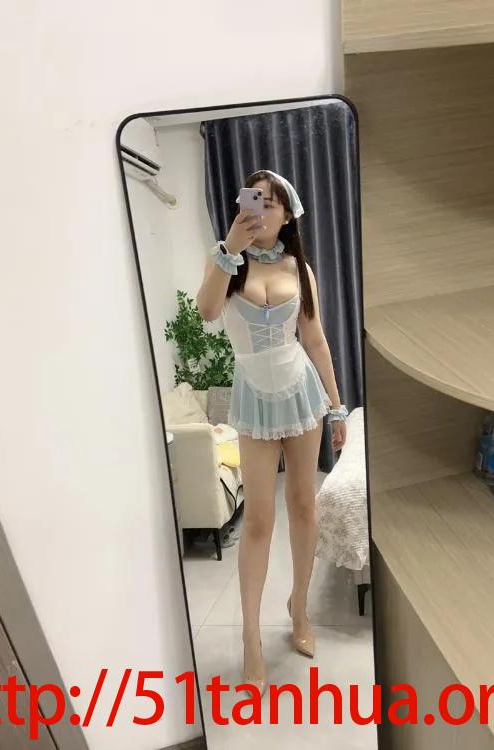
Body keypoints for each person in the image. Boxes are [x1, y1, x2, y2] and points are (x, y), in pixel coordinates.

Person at [196, 169, 348, 698]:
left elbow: (315, 338)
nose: (261, 210)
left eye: (272, 202)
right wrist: (228, 250)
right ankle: (251, 638)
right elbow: (207, 312)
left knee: (304, 505)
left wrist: (338, 408)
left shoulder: (299, 268)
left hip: (301, 393)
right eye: (253, 200)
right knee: (259, 521)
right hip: (253, 399)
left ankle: (298, 609)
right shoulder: (225, 261)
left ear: (286, 215)